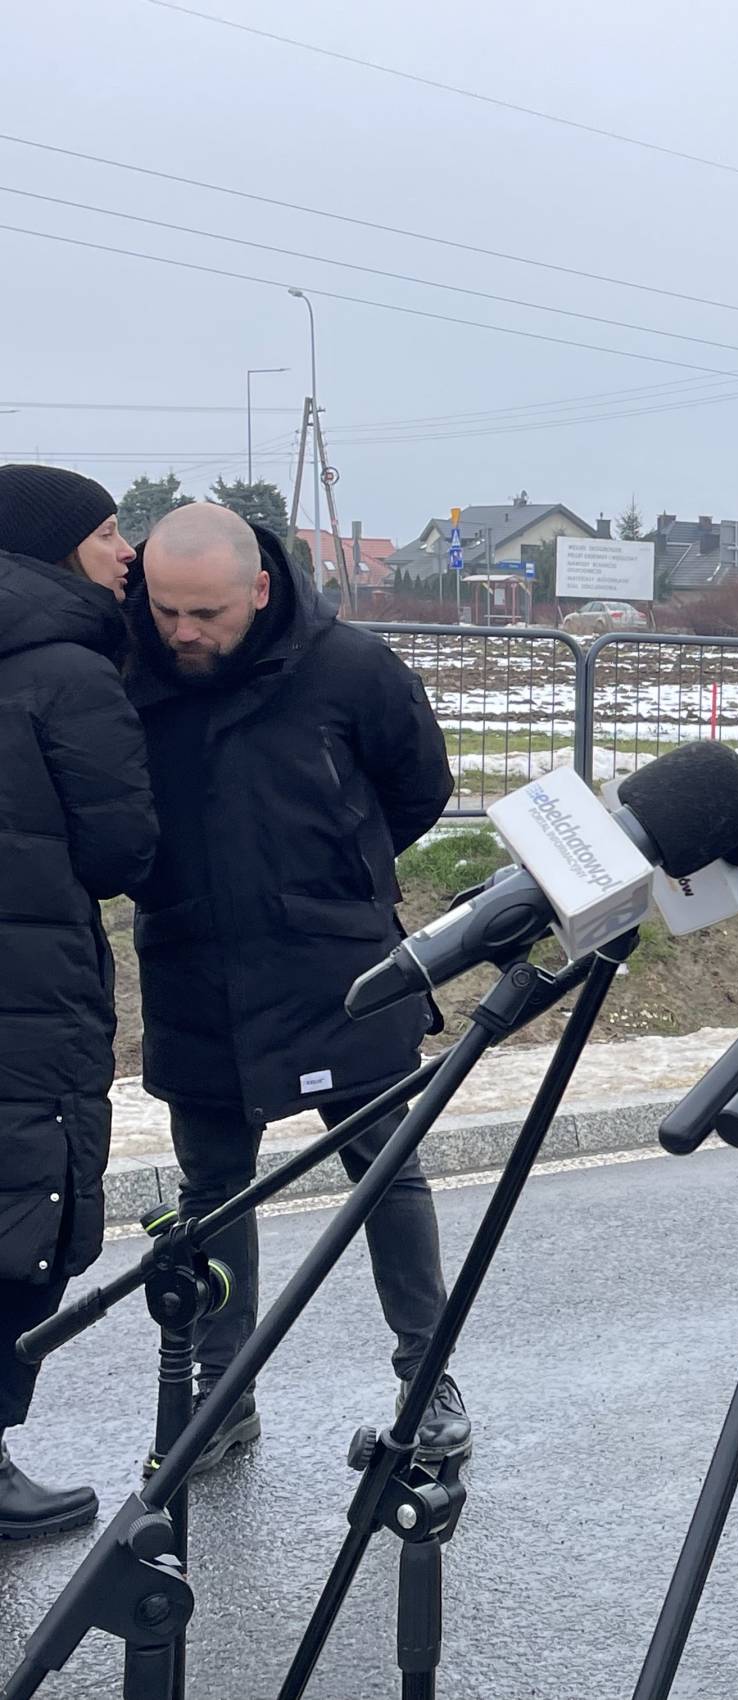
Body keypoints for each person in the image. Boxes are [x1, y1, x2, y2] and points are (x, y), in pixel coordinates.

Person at [124, 502, 468, 1471]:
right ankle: (221, 1393)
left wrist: (333, 877)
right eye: (167, 611)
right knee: (211, 1193)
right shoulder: (128, 668)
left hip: (340, 968)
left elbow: (419, 786)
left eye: (207, 613)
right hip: (193, 966)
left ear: (261, 589)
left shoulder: (351, 668)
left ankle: (427, 1378)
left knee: (387, 1174)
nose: (184, 633)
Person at [0, 466, 156, 1538]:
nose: (127, 551)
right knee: (27, 1210)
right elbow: (119, 849)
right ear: (56, 549)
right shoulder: (69, 669)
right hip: (28, 985)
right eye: (106, 532)